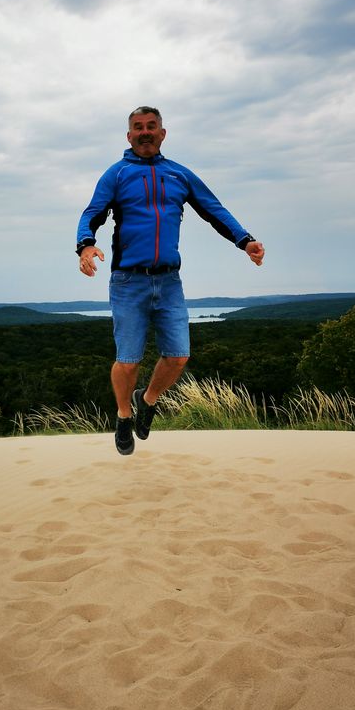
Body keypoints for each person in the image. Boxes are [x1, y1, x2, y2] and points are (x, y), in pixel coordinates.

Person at [77, 106, 264, 455]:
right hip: (128, 281)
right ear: (129, 136)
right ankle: (123, 416)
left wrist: (245, 240)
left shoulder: (179, 174)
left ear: (163, 133)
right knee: (128, 360)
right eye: (138, 127)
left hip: (169, 282)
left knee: (178, 356)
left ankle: (147, 401)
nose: (145, 132)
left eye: (151, 127)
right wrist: (85, 246)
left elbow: (214, 209)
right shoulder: (116, 175)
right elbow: (92, 213)